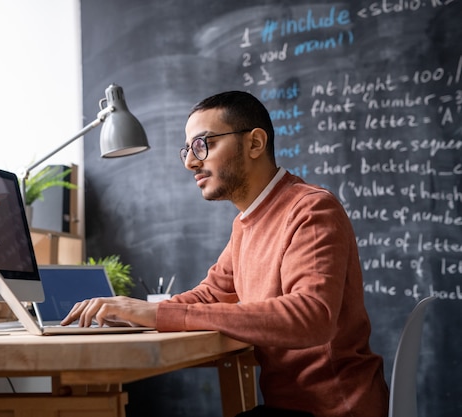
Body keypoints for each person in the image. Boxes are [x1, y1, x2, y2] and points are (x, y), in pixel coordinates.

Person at [62, 91, 389, 417]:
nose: (191, 161)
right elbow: (209, 295)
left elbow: (311, 316)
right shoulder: (245, 224)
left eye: (203, 144)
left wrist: (158, 315)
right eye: (187, 150)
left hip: (335, 409)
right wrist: (131, 314)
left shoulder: (311, 208)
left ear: (255, 144)